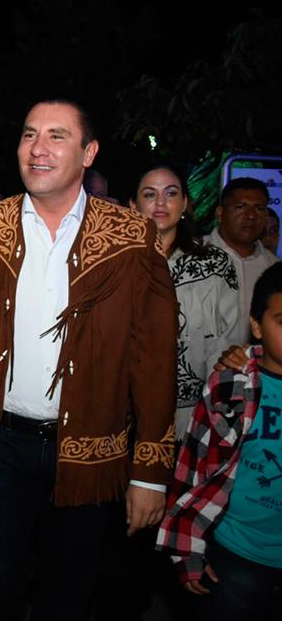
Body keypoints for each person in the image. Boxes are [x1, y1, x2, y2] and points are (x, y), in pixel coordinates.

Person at [0, 99, 178, 621]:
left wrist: (149, 475)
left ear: (89, 152)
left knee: (68, 598)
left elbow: (154, 361)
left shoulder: (131, 238)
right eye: (29, 134)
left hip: (90, 452)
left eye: (56, 136)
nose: (37, 148)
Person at [157, 261, 282, 621]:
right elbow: (193, 467)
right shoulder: (232, 386)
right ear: (256, 326)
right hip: (235, 553)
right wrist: (186, 549)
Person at [130, 165, 239, 437]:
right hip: (127, 416)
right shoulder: (116, 264)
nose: (161, 203)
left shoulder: (215, 263)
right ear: (133, 205)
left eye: (171, 193)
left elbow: (226, 345)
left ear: (185, 203)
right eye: (149, 194)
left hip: (194, 418)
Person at [205, 177, 278, 343]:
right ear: (220, 213)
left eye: (259, 208)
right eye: (240, 207)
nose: (251, 216)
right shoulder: (192, 258)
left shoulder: (273, 268)